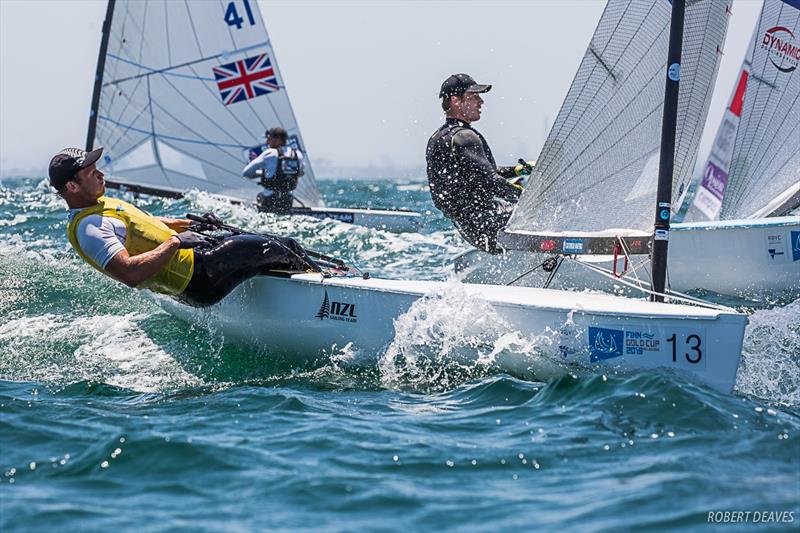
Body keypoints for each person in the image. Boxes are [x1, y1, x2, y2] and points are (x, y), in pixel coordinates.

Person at [50, 147, 317, 307]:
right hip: (198, 278)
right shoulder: (89, 228)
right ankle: (328, 290)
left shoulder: (99, 204)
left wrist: (189, 224)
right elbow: (130, 274)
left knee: (267, 245)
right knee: (282, 246)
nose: (101, 174)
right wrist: (176, 242)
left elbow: (147, 226)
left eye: (97, 168)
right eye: (91, 173)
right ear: (72, 186)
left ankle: (301, 283)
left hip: (197, 262)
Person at [426, 73, 534, 254]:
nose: (480, 102)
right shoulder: (465, 136)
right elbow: (491, 182)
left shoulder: (438, 137)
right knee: (551, 210)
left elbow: (479, 174)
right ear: (455, 101)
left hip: (470, 228)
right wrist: (531, 199)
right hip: (490, 225)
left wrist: (518, 170)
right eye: (473, 96)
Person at [242, 127, 305, 214]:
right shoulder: (297, 154)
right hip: (288, 200)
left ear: (278, 139)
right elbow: (300, 173)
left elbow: (246, 172)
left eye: (269, 138)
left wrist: (263, 173)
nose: (267, 142)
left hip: (269, 199)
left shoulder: (270, 153)